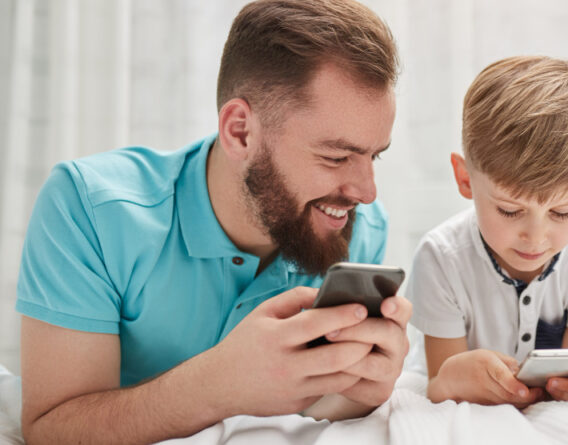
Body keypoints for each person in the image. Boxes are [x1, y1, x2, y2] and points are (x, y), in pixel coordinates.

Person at [15, 1, 411, 443]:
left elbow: (316, 415)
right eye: (336, 156)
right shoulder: (89, 209)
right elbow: (49, 430)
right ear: (240, 131)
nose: (367, 191)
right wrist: (216, 385)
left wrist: (360, 394)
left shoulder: (358, 226)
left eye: (373, 155)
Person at [406, 55, 568, 408]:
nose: (536, 237)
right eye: (510, 210)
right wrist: (452, 379)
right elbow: (437, 384)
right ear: (465, 179)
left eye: (562, 211)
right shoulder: (441, 257)